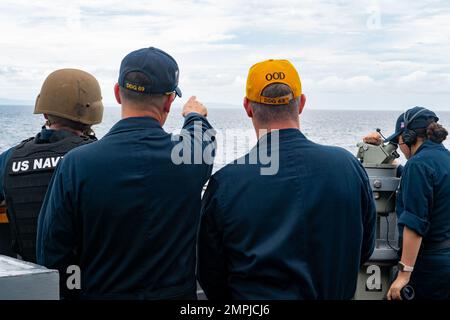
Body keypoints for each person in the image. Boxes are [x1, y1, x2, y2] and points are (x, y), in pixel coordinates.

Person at [36, 47, 216, 299]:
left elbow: (52, 253)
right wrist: (195, 116)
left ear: (118, 93)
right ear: (169, 101)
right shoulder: (192, 158)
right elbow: (203, 139)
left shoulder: (76, 164)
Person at [197, 59, 376, 300]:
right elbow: (364, 249)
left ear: (247, 107)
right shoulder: (348, 166)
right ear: (301, 103)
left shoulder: (226, 183)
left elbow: (211, 274)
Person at [0, 69, 103, 262]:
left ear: (45, 112)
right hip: (87, 282)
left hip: (31, 280)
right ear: (94, 114)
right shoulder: (99, 157)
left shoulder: (10, 158)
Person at [365, 107, 450, 300]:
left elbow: (415, 223)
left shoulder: (418, 165)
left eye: (398, 141)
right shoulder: (444, 159)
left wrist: (404, 274)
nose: (399, 148)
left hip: (429, 266)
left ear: (409, 137)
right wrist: (381, 154)